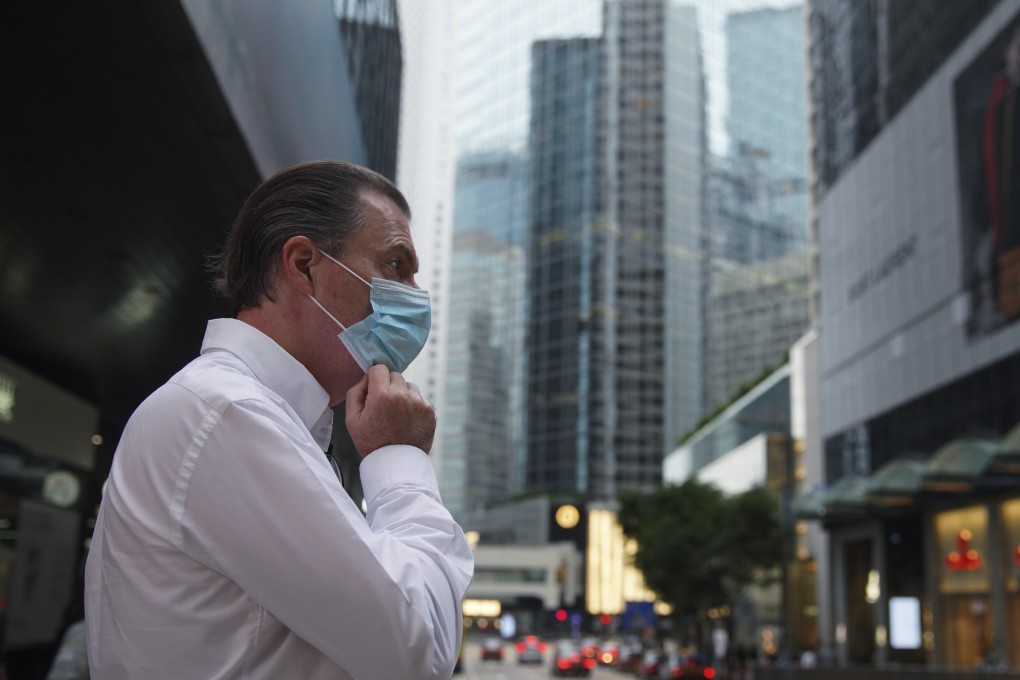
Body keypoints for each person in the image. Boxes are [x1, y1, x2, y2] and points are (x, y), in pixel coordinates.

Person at [84, 160, 473, 679]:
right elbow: (420, 648)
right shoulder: (227, 413)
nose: (415, 294)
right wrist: (398, 457)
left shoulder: (252, 416)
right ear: (305, 265)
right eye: (396, 265)